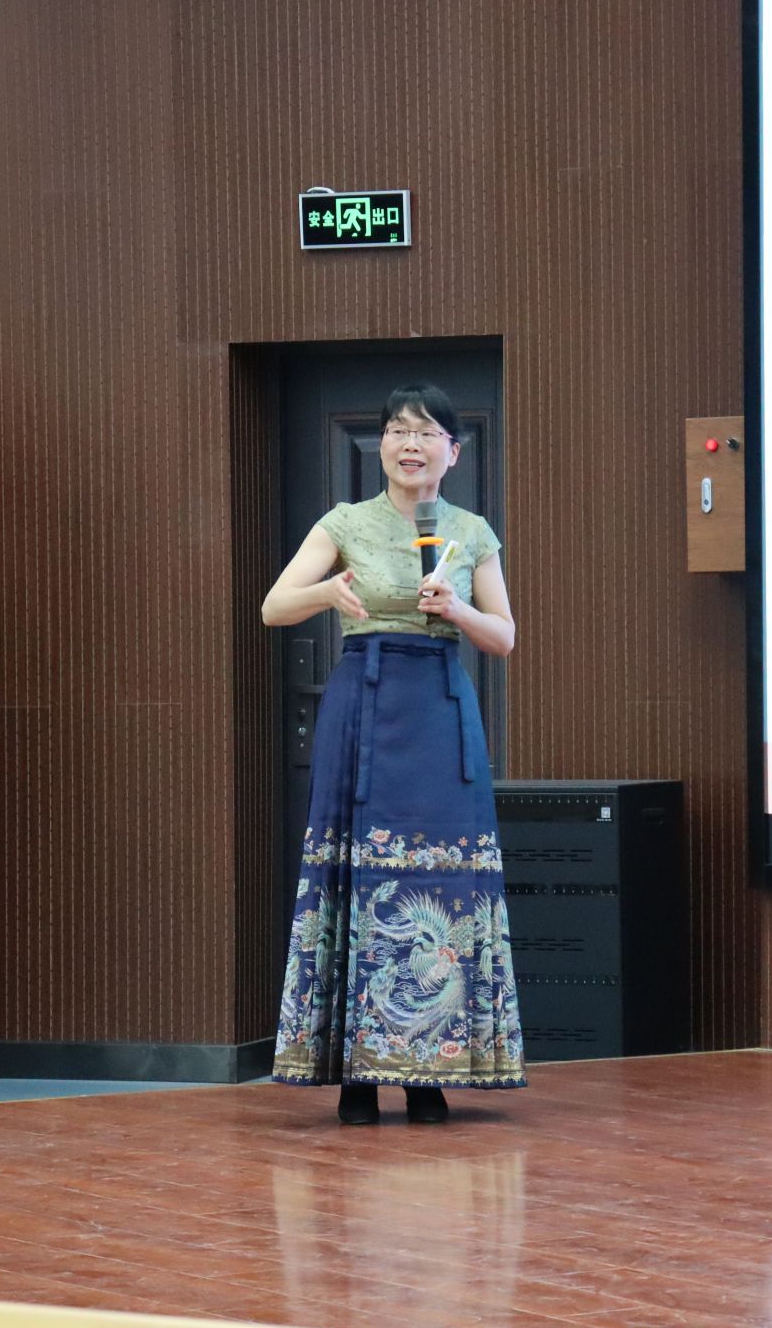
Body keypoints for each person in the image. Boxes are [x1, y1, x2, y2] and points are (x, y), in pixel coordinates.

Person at [260, 381, 523, 1124]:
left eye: (428, 432)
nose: (412, 444)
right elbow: (274, 605)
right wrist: (328, 593)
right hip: (365, 707)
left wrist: (457, 609)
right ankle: (355, 1073)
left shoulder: (471, 531)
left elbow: (504, 637)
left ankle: (428, 1073)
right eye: (400, 431)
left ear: (453, 452)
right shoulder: (345, 522)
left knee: (440, 879)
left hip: (439, 708)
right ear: (381, 445)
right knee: (359, 872)